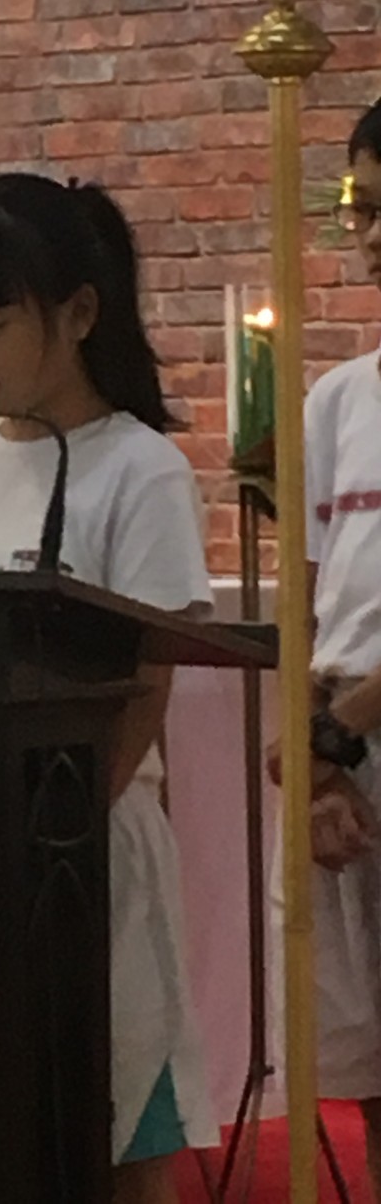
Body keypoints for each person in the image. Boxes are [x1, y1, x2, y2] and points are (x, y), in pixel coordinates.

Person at [0, 172, 219, 1202]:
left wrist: (48, 837)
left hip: (82, 855)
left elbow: (145, 684)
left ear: (77, 313)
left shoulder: (138, 470)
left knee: (111, 1131)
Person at [276, 96, 381, 1198]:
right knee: (366, 1068)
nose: (374, 235)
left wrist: (333, 737)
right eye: (365, 208)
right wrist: (312, 757)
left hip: (356, 731)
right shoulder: (339, 399)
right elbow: (307, 604)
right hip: (344, 747)